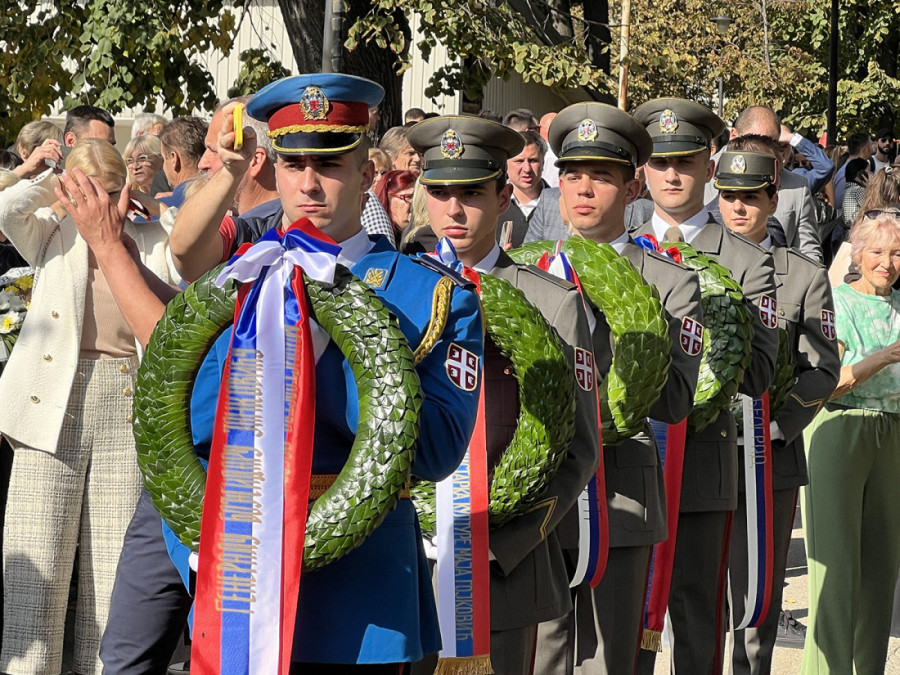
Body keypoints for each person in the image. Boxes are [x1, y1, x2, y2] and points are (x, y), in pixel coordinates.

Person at [89, 73, 483, 674]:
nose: (307, 183)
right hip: (238, 596)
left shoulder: (430, 296)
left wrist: (357, 345)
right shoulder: (241, 283)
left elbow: (434, 451)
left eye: (329, 163)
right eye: (291, 162)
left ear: (364, 170)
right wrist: (196, 545)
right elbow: (183, 435)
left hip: (360, 606)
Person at [407, 115, 599, 674]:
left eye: (471, 192)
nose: (454, 209)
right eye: (440, 192)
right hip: (411, 560)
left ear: (502, 193)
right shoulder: (395, 289)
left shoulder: (552, 300)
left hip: (505, 568)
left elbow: (579, 449)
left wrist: (507, 543)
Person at [531, 102, 704, 675]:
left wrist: (631, 337)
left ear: (632, 187)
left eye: (601, 176)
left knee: (608, 664)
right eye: (573, 175)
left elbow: (677, 399)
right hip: (540, 501)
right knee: (543, 659)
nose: (584, 189)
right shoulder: (527, 274)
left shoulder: (669, 281)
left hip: (620, 499)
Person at [0, 138, 180, 675]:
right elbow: (6, 212)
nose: (104, 207)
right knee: (37, 575)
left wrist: (159, 209)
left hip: (127, 400)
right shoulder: (53, 231)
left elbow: (185, 264)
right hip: (48, 401)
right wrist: (49, 182)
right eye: (90, 194)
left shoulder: (150, 235)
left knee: (112, 577)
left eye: (112, 192)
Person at [631, 98, 779, 675]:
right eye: (661, 161)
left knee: (697, 620)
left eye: (687, 161)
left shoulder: (746, 263)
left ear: (710, 166)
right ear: (642, 168)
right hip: (624, 465)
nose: (672, 175)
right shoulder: (609, 252)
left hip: (703, 462)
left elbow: (763, 370)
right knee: (624, 623)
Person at [714, 149, 840, 674]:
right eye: (728, 196)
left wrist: (779, 423)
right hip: (698, 453)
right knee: (696, 591)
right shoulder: (685, 264)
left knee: (759, 592)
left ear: (773, 198)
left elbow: (823, 367)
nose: (739, 207)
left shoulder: (802, 276)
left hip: (772, 455)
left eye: (750, 196)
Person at [801, 212, 900, 675]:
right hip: (841, 430)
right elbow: (828, 384)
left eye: (896, 253)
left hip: (892, 435)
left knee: (881, 572)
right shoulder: (837, 303)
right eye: (878, 252)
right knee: (836, 571)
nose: (887, 262)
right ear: (857, 255)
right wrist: (885, 356)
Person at [704, 105, 822, 262]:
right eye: (728, 196)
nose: (764, 150)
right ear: (734, 135)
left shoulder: (797, 187)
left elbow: (809, 255)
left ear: (773, 202)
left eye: (773, 143)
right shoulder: (700, 174)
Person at [497, 130, 548, 248]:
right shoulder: (493, 205)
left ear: (543, 163)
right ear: (506, 164)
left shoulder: (559, 205)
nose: (527, 168)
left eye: (533, 160)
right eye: (519, 161)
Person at [156, 116, 207, 206]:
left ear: (174, 159)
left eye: (164, 159)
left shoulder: (155, 212)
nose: (162, 167)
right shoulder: (227, 202)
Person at [833, 132, 874, 207]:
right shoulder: (845, 174)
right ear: (865, 149)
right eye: (871, 145)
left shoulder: (860, 169)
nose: (873, 148)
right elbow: (839, 204)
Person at [374, 169, 416, 237]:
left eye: (416, 197)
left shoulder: (420, 235)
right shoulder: (381, 240)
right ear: (388, 199)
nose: (414, 202)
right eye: (408, 196)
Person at [842, 157, 872, 229]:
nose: (872, 174)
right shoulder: (859, 190)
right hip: (858, 232)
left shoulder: (848, 188)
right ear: (861, 175)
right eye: (869, 172)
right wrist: (871, 188)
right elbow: (872, 210)